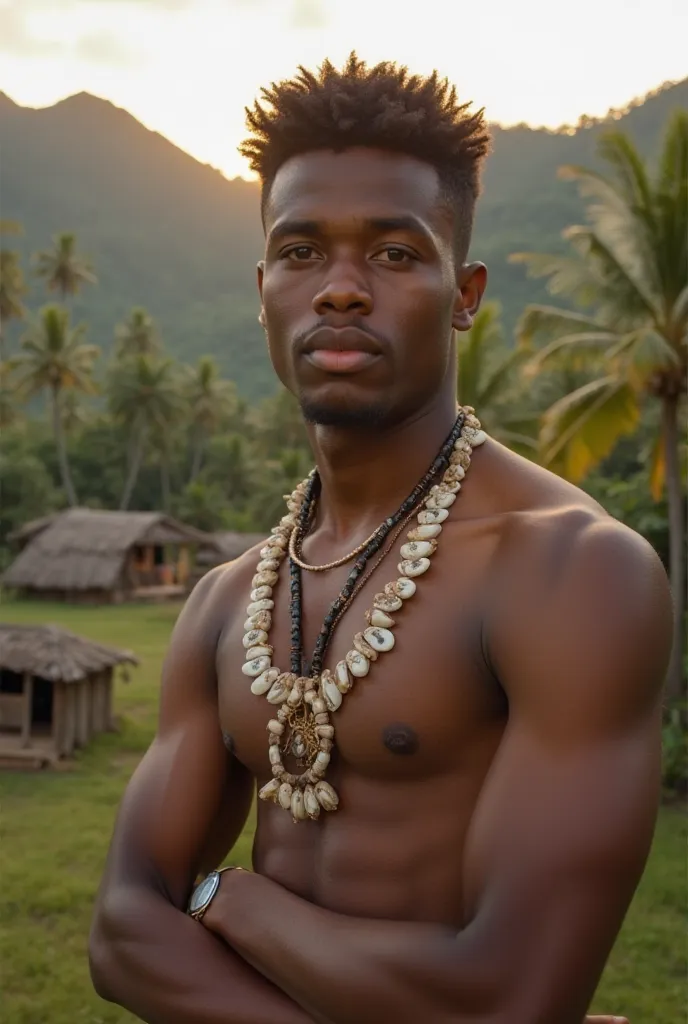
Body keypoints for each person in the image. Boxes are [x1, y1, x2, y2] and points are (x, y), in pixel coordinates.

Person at [88, 55, 673, 1024]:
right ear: (264, 285)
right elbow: (118, 935)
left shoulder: (570, 573)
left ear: (465, 291)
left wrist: (229, 897)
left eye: (394, 254)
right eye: (302, 250)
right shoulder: (227, 599)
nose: (341, 289)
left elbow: (510, 1000)